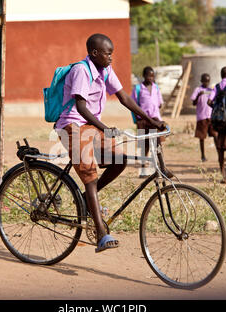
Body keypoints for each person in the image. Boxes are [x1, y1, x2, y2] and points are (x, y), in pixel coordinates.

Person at [55, 33, 167, 253]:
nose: (111, 58)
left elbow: (124, 98)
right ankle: (101, 233)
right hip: (72, 125)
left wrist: (152, 120)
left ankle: (88, 198)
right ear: (95, 53)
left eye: (111, 54)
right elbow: (80, 107)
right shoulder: (81, 71)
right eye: (108, 53)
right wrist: (104, 128)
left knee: (120, 160)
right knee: (89, 173)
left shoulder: (104, 70)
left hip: (91, 125)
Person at [131, 66, 167, 177]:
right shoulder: (138, 88)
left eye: (152, 76)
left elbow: (160, 103)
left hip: (155, 120)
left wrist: (156, 107)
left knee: (158, 144)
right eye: (148, 75)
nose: (150, 78)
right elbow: (133, 105)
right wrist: (136, 120)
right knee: (144, 145)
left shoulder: (156, 88)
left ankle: (161, 169)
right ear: (144, 76)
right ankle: (143, 170)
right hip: (143, 120)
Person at [190, 73, 217, 162]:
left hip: (211, 116)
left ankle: (219, 154)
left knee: (215, 136)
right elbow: (193, 103)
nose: (206, 83)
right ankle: (203, 156)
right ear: (201, 81)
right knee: (202, 137)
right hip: (201, 117)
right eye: (205, 81)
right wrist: (199, 95)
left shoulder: (211, 90)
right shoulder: (198, 90)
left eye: (208, 81)